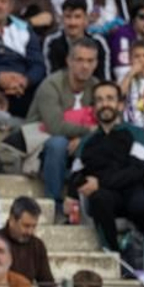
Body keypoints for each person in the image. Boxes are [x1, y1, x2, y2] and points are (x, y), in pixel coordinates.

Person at [67, 80, 144, 252]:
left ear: (120, 105)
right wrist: (73, 194)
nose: (104, 104)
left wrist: (99, 182)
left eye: (109, 98)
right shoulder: (87, 142)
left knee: (140, 206)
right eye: (99, 100)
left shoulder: (137, 133)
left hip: (133, 190)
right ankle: (113, 255)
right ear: (93, 107)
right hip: (105, 196)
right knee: (99, 199)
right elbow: (76, 176)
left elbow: (137, 170)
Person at [30, 36, 100, 210]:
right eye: (80, 60)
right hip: (41, 141)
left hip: (78, 145)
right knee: (58, 143)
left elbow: (106, 123)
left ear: (96, 63)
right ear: (69, 61)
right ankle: (54, 203)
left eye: (90, 61)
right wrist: (87, 131)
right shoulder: (51, 85)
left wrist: (82, 139)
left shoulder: (96, 86)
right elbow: (55, 126)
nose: (85, 66)